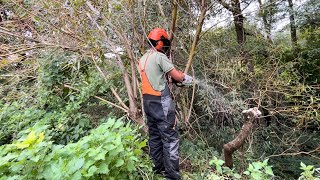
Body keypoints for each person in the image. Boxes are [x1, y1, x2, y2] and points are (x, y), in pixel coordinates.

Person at [139, 28, 192, 180]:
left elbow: (155, 76)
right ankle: (172, 176)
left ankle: (157, 170)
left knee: (155, 136)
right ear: (160, 42)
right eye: (164, 43)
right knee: (170, 138)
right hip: (161, 102)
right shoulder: (159, 57)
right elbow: (177, 76)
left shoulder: (142, 59)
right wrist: (185, 78)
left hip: (148, 102)